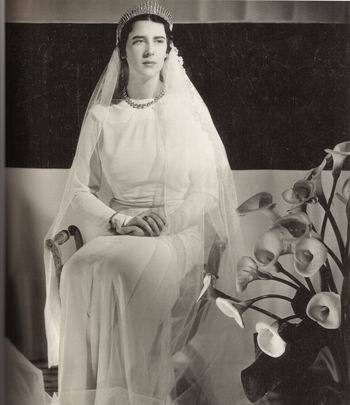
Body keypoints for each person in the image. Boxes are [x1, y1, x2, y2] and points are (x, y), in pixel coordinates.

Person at [44, 2, 244, 404]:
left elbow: (206, 191)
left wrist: (165, 221)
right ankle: (86, 398)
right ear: (124, 51)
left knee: (121, 271)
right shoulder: (103, 118)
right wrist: (119, 219)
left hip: (175, 233)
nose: (150, 50)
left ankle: (137, 396)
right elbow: (79, 189)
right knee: (80, 269)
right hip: (121, 228)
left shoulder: (187, 116)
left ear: (169, 50)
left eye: (158, 41)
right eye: (139, 42)